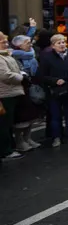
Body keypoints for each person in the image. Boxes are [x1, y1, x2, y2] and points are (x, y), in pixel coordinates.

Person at [38, 34, 68, 147]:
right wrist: (54, 81)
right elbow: (41, 76)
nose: (62, 44)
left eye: (63, 42)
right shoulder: (47, 57)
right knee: (55, 115)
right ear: (53, 46)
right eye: (59, 43)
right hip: (54, 90)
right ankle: (57, 137)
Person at [0, 32, 28, 160]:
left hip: (12, 92)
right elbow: (6, 75)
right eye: (3, 42)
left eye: (6, 42)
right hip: (5, 94)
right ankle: (6, 151)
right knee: (4, 124)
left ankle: (10, 147)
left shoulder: (6, 55)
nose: (6, 44)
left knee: (9, 123)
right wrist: (21, 77)